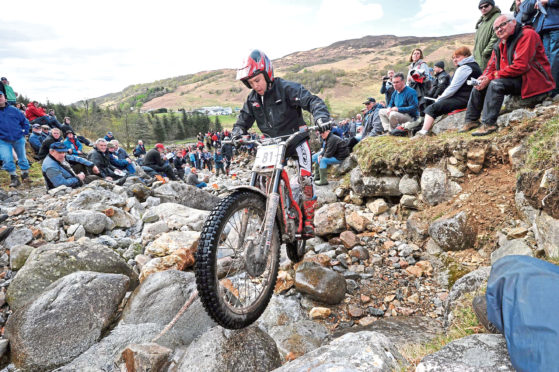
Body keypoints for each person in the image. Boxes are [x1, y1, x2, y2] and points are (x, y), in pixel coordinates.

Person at [232, 49, 331, 237]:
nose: (256, 86)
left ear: (267, 74)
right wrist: (237, 132)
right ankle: (275, 216)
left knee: (305, 179)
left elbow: (311, 101)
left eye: (258, 80)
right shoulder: (252, 99)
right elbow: (242, 120)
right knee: (265, 179)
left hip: (297, 140)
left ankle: (309, 221)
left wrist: (321, 117)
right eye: (251, 83)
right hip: (274, 145)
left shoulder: (286, 88)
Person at [464, 14, 555, 136]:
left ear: (513, 22)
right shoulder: (500, 43)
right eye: (496, 28)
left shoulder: (527, 35)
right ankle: (471, 120)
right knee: (480, 85)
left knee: (495, 84)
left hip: (533, 83)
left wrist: (491, 77)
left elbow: (521, 66)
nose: (499, 29)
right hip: (517, 80)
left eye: (503, 24)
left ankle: (488, 124)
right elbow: (491, 65)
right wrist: (483, 77)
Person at [415, 47, 482, 136]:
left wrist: (441, 98)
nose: (454, 60)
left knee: (432, 108)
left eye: (457, 57)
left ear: (466, 56)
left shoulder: (464, 68)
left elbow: (453, 88)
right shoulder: (474, 65)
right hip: (470, 97)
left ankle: (423, 132)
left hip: (464, 99)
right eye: (453, 58)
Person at [520, 0, 559, 97]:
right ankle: (550, 89)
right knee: (547, 58)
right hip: (544, 27)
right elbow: (524, 7)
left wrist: (547, 1)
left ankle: (554, 89)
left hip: (555, 25)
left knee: (554, 57)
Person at [0, 91, 30, 187]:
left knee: (22, 157)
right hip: (3, 140)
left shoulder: (14, 110)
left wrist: (24, 132)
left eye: (0, 96)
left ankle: (25, 175)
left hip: (18, 138)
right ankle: (14, 178)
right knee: (7, 159)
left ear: (5, 98)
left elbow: (24, 121)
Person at [474, 0, 502, 70]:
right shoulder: (482, 21)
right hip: (480, 58)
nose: (483, 8)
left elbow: (496, 37)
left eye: (486, 6)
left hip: (489, 57)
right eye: (481, 7)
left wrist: (486, 52)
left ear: (492, 5)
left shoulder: (497, 17)